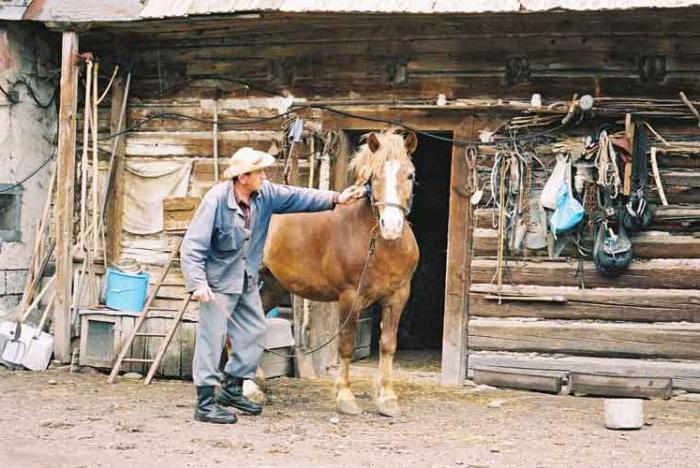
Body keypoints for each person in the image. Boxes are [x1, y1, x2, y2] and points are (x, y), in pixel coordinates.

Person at [180, 147, 363, 424]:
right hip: (217, 284)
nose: (265, 176)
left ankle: (231, 388)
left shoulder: (265, 195)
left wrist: (337, 198)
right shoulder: (216, 200)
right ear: (243, 177)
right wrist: (197, 283)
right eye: (260, 172)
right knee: (212, 339)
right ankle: (205, 404)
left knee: (254, 332)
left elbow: (298, 196)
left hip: (246, 280)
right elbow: (192, 245)